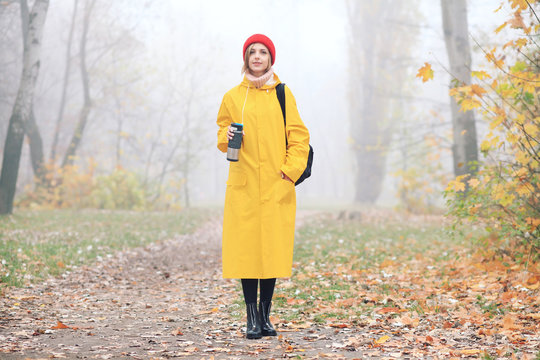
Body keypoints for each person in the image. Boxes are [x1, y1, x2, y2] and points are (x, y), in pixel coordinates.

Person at [216, 34, 310, 339]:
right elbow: (221, 134)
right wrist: (226, 134)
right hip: (243, 184)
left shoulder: (283, 94)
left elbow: (299, 138)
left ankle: (267, 316)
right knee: (246, 250)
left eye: (263, 52)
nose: (257, 57)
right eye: (252, 52)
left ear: (271, 58)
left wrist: (288, 173)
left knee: (271, 250)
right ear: (246, 58)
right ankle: (251, 317)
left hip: (275, 184)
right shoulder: (232, 96)